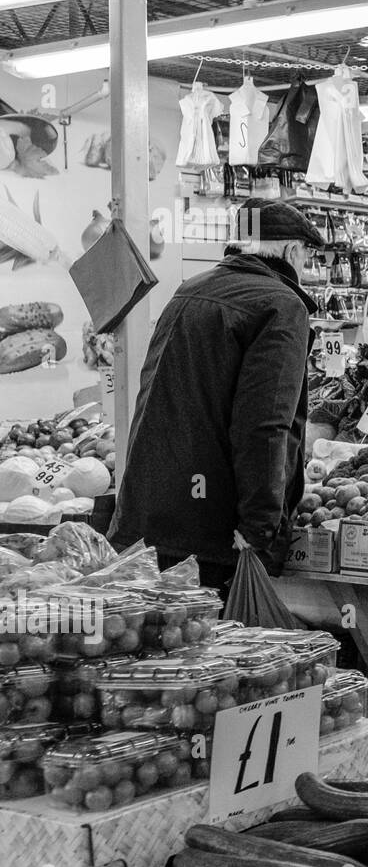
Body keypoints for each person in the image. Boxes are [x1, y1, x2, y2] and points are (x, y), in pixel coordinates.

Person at [109, 200, 326, 589]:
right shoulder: (281, 305)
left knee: (160, 643)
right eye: (307, 256)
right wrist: (259, 527)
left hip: (149, 517)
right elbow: (264, 425)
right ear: (292, 251)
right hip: (212, 532)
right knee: (214, 645)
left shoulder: (188, 290)